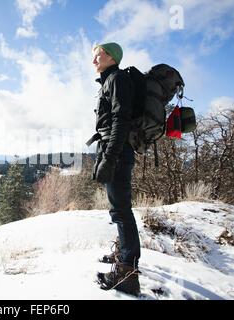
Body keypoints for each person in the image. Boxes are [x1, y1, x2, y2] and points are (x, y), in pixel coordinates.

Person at [90, 42, 141, 296]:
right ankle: (123, 254)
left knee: (121, 210)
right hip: (113, 150)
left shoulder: (118, 79)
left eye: (97, 55)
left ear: (111, 56)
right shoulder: (110, 80)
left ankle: (127, 273)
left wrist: (110, 158)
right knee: (118, 208)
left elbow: (121, 120)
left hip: (117, 152)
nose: (93, 61)